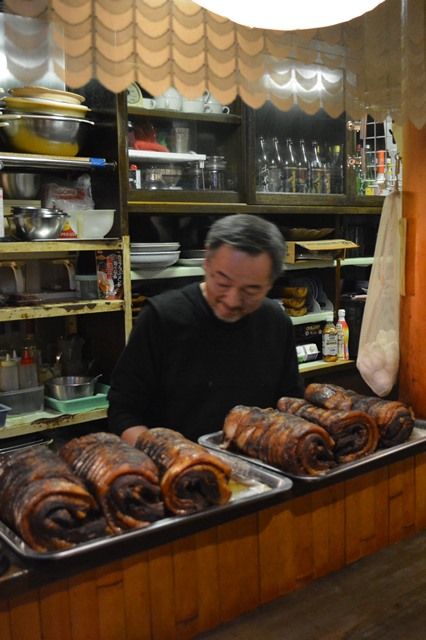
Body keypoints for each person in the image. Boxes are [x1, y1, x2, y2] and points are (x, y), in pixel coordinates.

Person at [108, 213, 304, 445]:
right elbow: (123, 413)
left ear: (270, 284)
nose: (232, 300)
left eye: (250, 291)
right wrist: (171, 457)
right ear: (207, 262)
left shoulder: (275, 323)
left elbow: (289, 403)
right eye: (222, 283)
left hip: (257, 472)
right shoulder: (162, 318)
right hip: (173, 468)